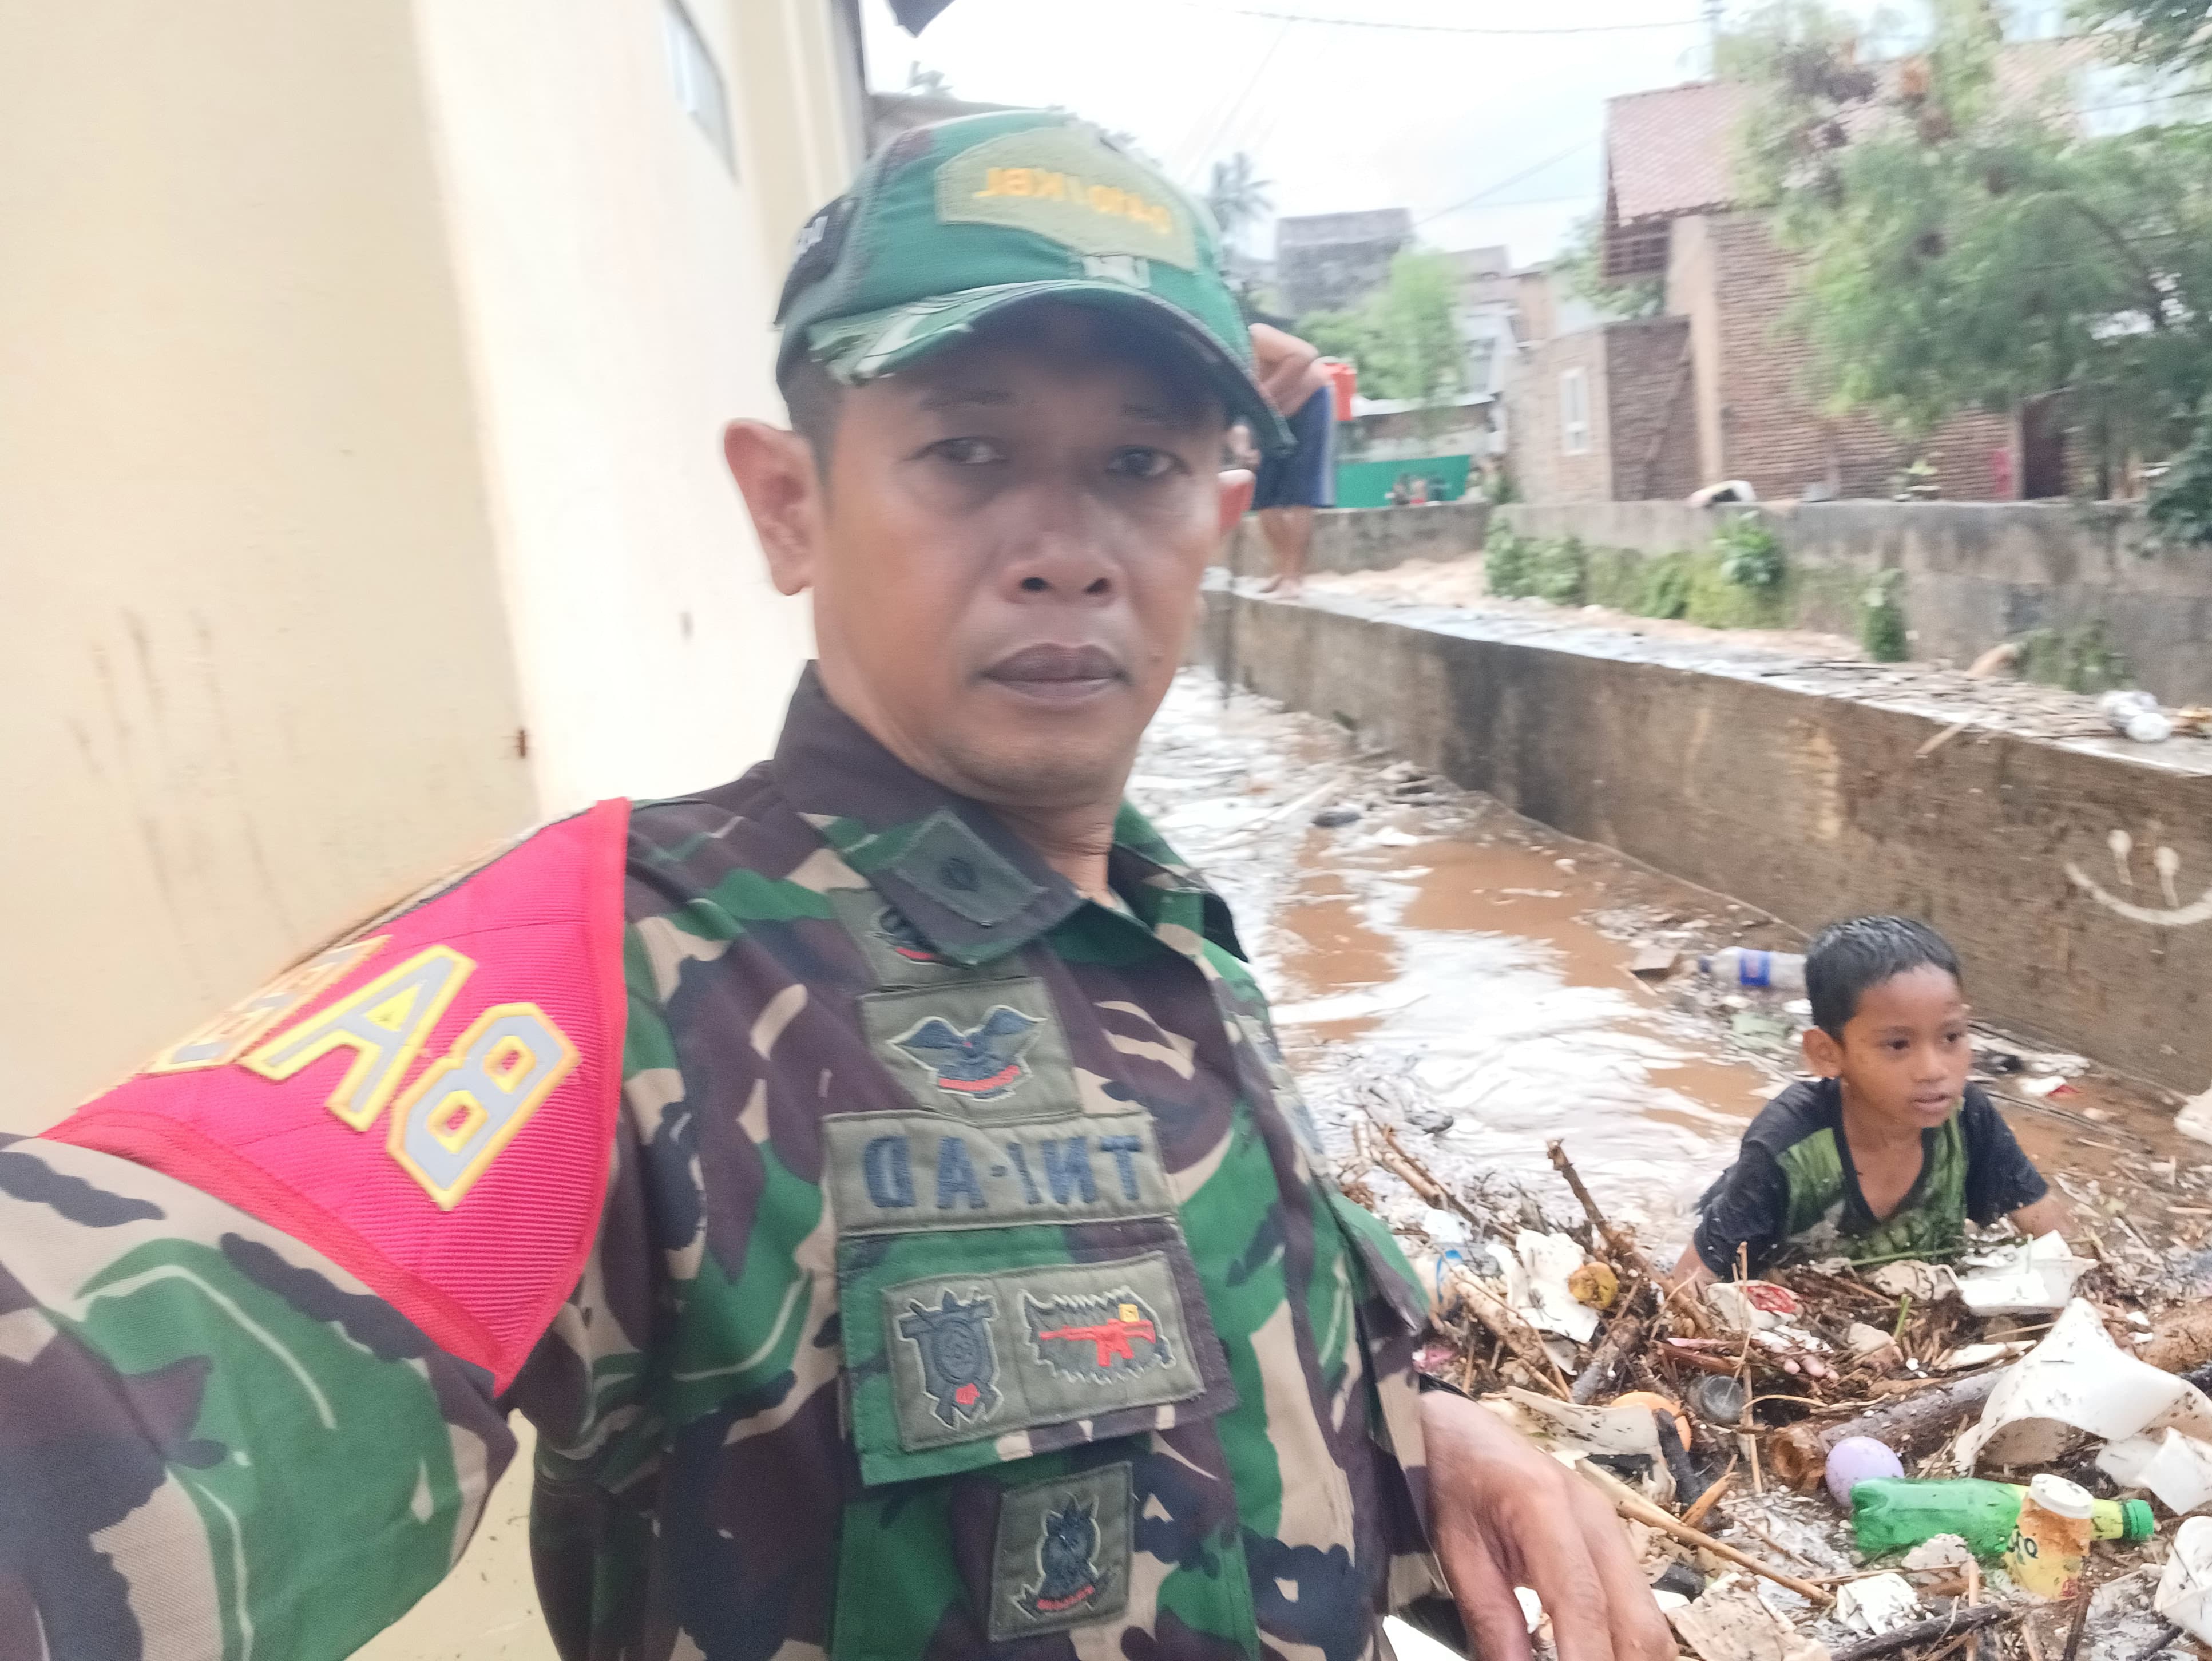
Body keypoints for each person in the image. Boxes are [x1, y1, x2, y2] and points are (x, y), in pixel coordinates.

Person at [5, 110, 1668, 1661]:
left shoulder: (1167, 939)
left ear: (1217, 515)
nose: (1064, 546)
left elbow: (1194, 1328)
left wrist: (1409, 1441)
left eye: (1138, 466)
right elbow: (100, 1392)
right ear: (789, 504)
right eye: (963, 453)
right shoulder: (614, 960)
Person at [1671, 916, 2069, 1285]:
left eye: (1951, 1037)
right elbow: (1687, 1288)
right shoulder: (1788, 1149)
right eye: (1898, 1044)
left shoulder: (1967, 1120)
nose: (1933, 1070)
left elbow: (2053, 1236)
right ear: (1827, 1053)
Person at [1247, 352, 1335, 600]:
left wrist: (1264, 393)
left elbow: (1305, 353)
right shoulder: (1217, 364)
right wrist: (1245, 447)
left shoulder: (1256, 336)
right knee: (1264, 500)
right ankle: (1284, 569)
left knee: (1300, 495)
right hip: (1274, 418)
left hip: (1312, 403)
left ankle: (1292, 577)